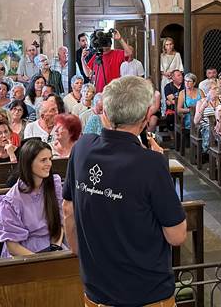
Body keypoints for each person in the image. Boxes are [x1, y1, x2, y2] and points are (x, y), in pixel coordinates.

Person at [63, 76, 186, 307]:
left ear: (105, 114)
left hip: (96, 288)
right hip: (145, 293)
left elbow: (68, 208)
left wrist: (78, 251)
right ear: (144, 118)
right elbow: (177, 236)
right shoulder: (151, 163)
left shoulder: (82, 148)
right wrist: (158, 161)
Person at [0, 139, 64, 258]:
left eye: (50, 159)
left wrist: (55, 248)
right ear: (28, 163)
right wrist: (41, 262)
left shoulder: (54, 185)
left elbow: (59, 224)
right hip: (25, 255)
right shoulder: (11, 200)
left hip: (54, 246)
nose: (49, 164)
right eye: (43, 160)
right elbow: (13, 246)